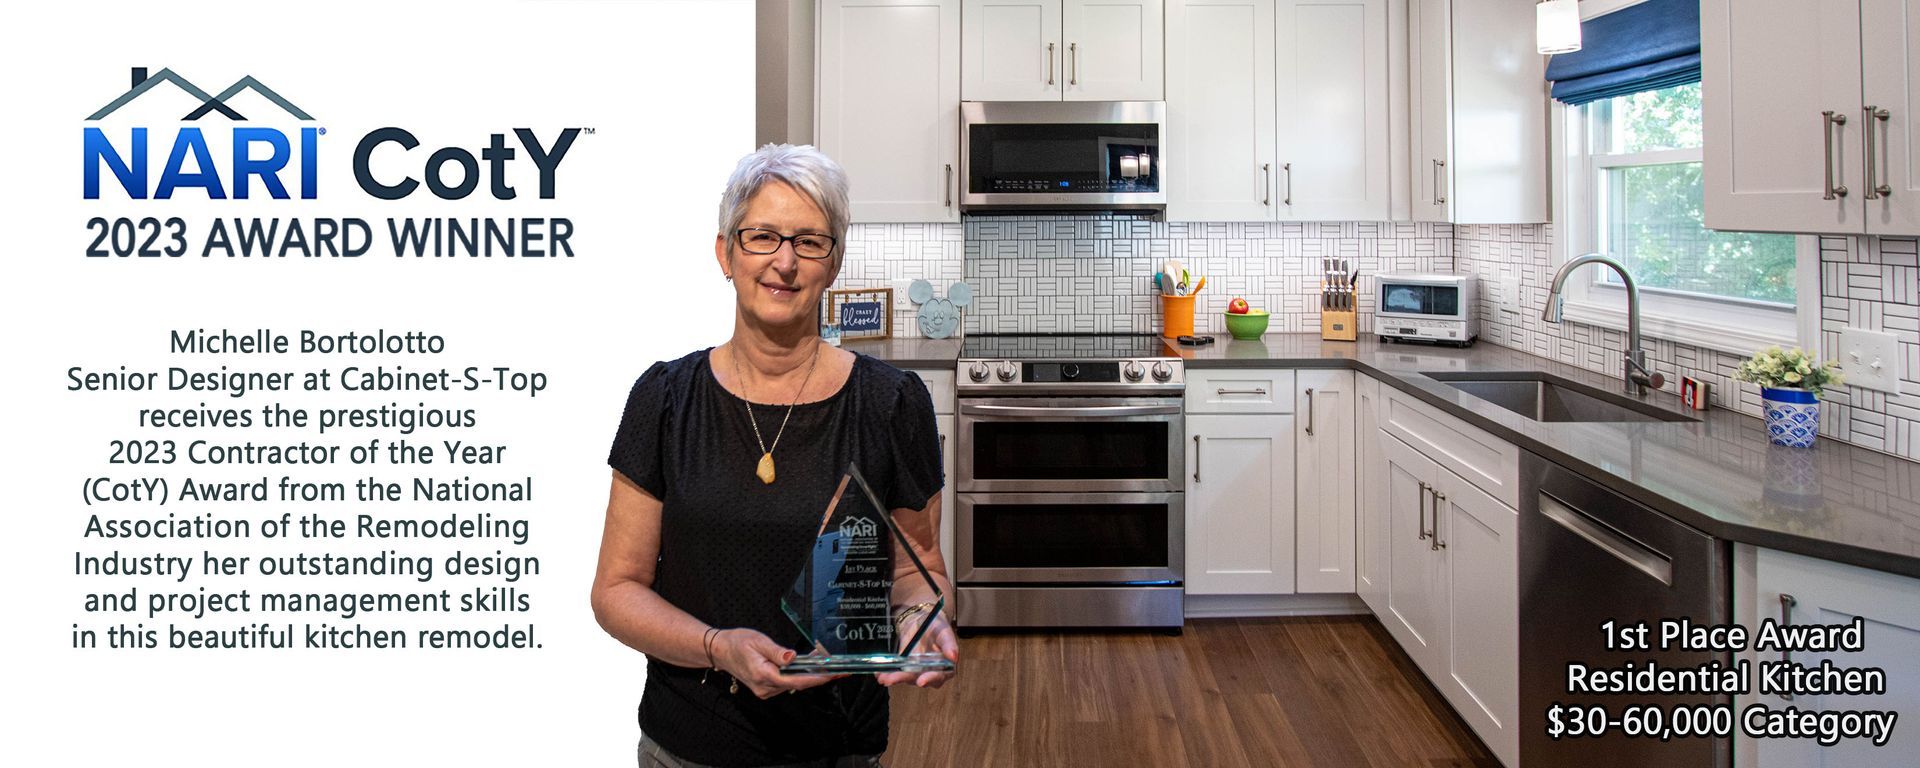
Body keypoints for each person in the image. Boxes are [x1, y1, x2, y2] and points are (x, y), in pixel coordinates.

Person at [591, 144, 958, 768]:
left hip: (836, 746)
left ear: (833, 263)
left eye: (809, 242)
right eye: (762, 236)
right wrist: (716, 646)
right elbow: (616, 590)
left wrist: (924, 620)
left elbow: (916, 570)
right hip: (687, 744)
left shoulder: (892, 403)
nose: (784, 262)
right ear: (725, 254)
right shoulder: (665, 398)